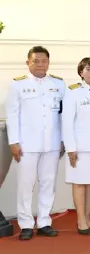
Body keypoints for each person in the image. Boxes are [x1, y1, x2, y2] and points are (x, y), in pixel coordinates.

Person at [6, 46, 65, 241]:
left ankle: (44, 222)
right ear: (28, 63)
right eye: (35, 61)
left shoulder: (59, 84)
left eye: (43, 61)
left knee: (48, 183)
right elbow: (12, 116)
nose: (40, 64)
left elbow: (63, 115)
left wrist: (64, 140)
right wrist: (13, 142)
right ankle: (25, 224)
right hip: (27, 144)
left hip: (52, 143)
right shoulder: (17, 85)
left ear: (48, 62)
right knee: (26, 185)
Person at [62, 57, 90, 235]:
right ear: (81, 72)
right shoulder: (72, 92)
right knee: (79, 183)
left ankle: (88, 217)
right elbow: (67, 122)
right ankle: (80, 219)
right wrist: (70, 148)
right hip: (79, 147)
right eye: (88, 69)